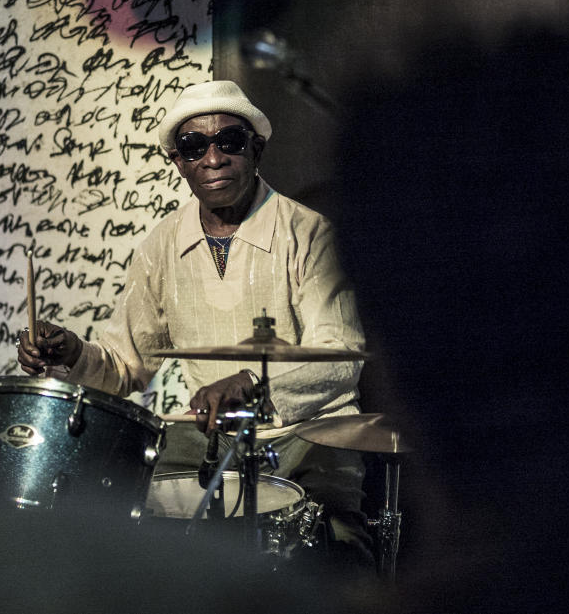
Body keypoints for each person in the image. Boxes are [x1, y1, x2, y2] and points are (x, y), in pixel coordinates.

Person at [18, 80, 372, 562]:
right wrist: (73, 353)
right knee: (122, 518)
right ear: (178, 162)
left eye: (229, 141)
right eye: (193, 147)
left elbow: (338, 355)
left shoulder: (310, 234)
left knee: (338, 548)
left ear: (256, 149)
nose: (213, 158)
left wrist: (251, 380)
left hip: (308, 434)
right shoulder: (160, 247)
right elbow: (124, 367)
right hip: (207, 435)